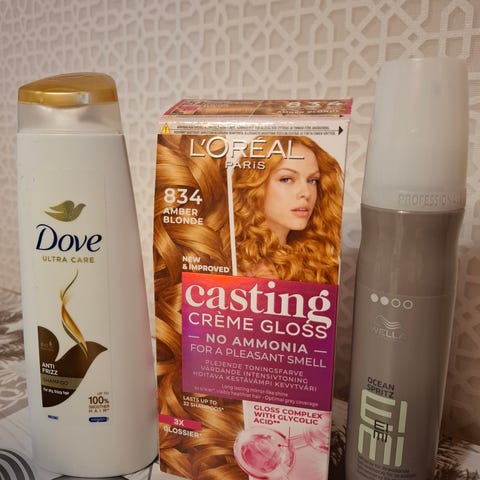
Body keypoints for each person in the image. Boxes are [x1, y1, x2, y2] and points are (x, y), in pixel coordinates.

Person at [233, 135, 343, 284]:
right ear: (254, 186)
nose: (306, 193)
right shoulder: (235, 264)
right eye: (286, 179)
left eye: (312, 180)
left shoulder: (317, 259)